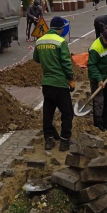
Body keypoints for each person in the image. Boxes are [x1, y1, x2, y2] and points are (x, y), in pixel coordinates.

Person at [33, 16, 75, 151]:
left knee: (48, 113)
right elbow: (66, 63)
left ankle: (49, 140)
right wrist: (71, 79)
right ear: (60, 28)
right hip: (60, 83)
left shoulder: (39, 41)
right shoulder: (60, 42)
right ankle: (64, 141)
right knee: (67, 113)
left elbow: (36, 59)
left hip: (46, 83)